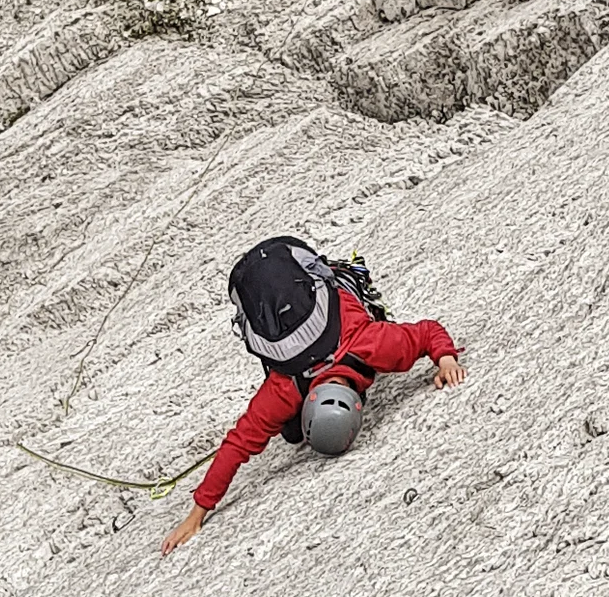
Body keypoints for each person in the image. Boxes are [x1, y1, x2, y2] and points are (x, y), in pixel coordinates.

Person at [160, 237, 465, 555]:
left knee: (290, 432)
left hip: (324, 301)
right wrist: (445, 357)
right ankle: (347, 272)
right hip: (322, 297)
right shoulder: (366, 347)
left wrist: (445, 358)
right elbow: (428, 331)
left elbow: (239, 444)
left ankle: (346, 273)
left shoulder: (297, 383)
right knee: (291, 432)